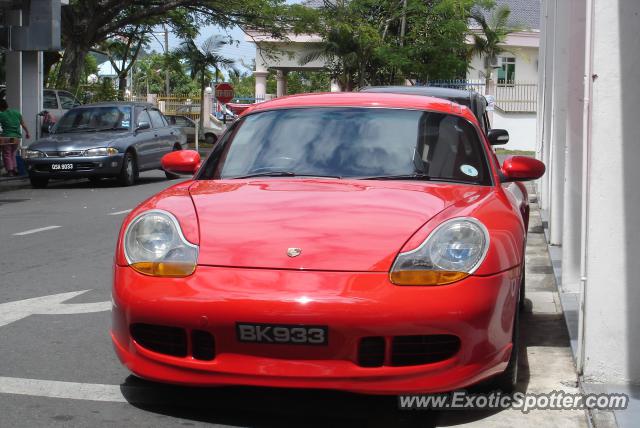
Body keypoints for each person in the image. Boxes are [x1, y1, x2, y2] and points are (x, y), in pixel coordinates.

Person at [0, 99, 30, 176]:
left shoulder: (1, 114)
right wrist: (27, 133)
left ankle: (10, 171)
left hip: (6, 137)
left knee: (6, 154)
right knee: (13, 153)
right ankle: (15, 169)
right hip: (17, 138)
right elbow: (23, 124)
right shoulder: (16, 113)